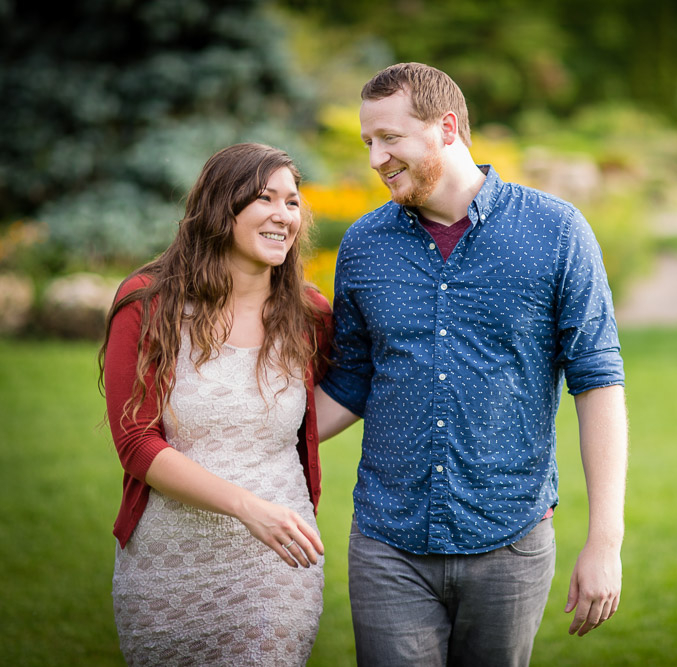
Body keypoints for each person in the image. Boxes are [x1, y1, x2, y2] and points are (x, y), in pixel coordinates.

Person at [315, 62, 628, 666]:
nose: (376, 158)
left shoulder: (556, 232)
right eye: (368, 143)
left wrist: (605, 541)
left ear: (447, 127)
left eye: (390, 138)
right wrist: (246, 435)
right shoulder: (363, 245)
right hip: (388, 544)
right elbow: (352, 380)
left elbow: (599, 384)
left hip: (510, 541)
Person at [99, 142, 332, 666]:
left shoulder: (309, 313)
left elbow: (347, 393)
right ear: (220, 207)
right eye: (265, 198)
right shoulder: (148, 304)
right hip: (165, 559)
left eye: (293, 202)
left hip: (278, 555)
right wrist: (247, 507)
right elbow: (135, 442)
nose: (283, 215)